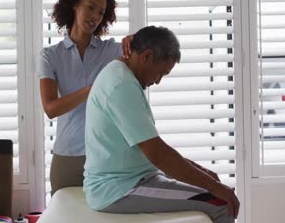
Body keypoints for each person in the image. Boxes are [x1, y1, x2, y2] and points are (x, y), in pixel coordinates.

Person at [83, 26, 239, 223]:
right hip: (118, 189)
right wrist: (215, 187)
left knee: (211, 188)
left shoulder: (121, 74)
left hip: (133, 178)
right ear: (146, 56)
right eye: (160, 73)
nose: (157, 81)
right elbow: (158, 154)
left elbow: (154, 148)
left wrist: (203, 173)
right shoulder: (121, 86)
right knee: (221, 204)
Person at [38, 0, 131, 195]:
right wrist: (93, 89)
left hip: (106, 156)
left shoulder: (112, 50)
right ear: (74, 5)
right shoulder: (51, 56)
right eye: (90, 7)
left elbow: (146, 53)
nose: (95, 16)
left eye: (101, 12)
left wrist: (135, 39)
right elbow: (51, 108)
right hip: (67, 157)